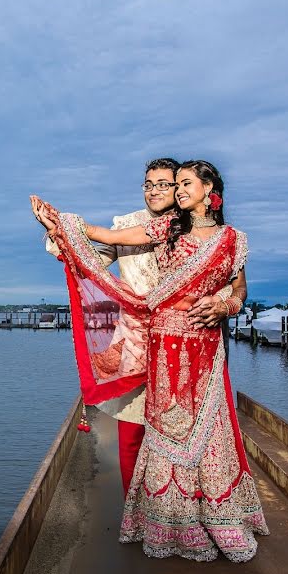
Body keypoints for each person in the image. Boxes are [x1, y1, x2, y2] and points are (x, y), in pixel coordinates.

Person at [31, 160, 268, 562]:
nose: (168, 190)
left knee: (208, 433)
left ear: (207, 188)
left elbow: (238, 287)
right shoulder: (157, 227)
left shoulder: (227, 237)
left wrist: (225, 305)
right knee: (150, 430)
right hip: (152, 342)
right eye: (158, 184)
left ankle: (212, 515)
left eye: (177, 183)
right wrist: (59, 221)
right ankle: (157, 519)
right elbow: (96, 242)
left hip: (205, 345)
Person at [44, 158, 195, 499]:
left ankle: (175, 512)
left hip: (185, 341)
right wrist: (59, 232)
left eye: (163, 184)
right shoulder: (126, 225)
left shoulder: (193, 228)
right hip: (137, 340)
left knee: (179, 430)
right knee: (132, 429)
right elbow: (93, 263)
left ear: (181, 187)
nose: (154, 191)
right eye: (148, 184)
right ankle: (135, 510)